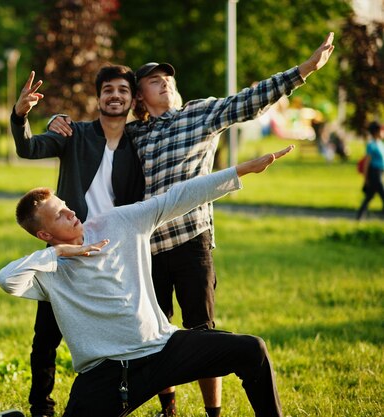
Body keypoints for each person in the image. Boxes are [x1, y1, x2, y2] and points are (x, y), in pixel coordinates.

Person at [49, 33, 335, 417]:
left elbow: (248, 101)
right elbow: (96, 129)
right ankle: (169, 408)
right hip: (146, 247)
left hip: (190, 241)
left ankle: (212, 411)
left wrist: (303, 71)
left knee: (201, 327)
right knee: (157, 331)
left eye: (168, 78)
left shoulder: (199, 113)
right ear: (139, 99)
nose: (164, 82)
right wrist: (56, 119)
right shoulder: (136, 133)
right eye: (153, 80)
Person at [0, 146, 294, 417]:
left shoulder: (117, 222)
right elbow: (7, 280)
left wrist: (240, 170)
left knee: (252, 350)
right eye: (60, 215)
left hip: (163, 348)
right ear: (45, 235)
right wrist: (62, 252)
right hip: (108, 374)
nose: (71, 212)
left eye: (65, 206)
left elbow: (177, 197)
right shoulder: (49, 271)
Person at [11, 65, 145, 417]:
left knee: (122, 333)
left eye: (122, 90)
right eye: (108, 90)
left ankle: (125, 402)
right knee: (46, 337)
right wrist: (20, 114)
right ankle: (41, 406)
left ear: (132, 98)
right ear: (98, 96)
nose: (115, 95)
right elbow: (28, 148)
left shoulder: (139, 141)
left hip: (113, 252)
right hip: (66, 249)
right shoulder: (74, 133)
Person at [357, 121, 384, 220]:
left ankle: (359, 217)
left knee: (369, 197)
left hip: (380, 172)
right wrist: (365, 178)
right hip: (374, 173)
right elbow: (367, 163)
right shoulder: (371, 145)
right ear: (376, 132)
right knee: (382, 194)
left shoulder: (380, 144)